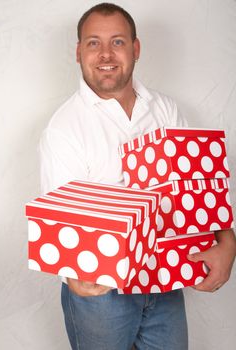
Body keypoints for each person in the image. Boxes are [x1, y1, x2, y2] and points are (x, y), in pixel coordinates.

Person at [39, 3, 236, 350]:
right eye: (93, 43)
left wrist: (227, 242)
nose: (105, 54)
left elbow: (199, 181)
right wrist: (74, 276)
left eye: (117, 42)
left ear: (136, 48)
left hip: (165, 280)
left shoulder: (165, 109)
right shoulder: (64, 129)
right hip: (102, 295)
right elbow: (64, 225)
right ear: (78, 52)